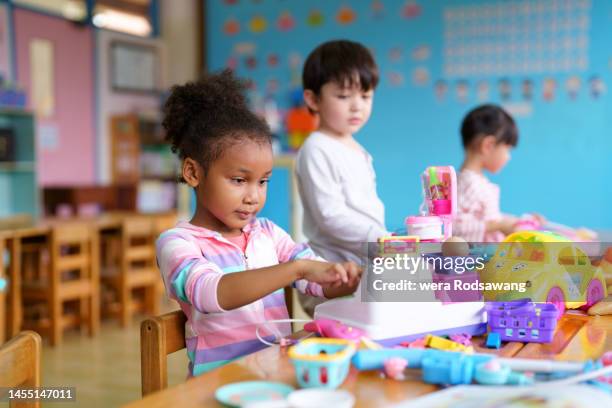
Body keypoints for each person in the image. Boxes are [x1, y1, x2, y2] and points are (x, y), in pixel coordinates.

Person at [156, 70, 361, 376]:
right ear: (193, 173)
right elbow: (211, 293)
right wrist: (298, 269)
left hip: (275, 372)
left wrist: (341, 278)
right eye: (239, 180)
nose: (253, 196)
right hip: (219, 382)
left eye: (263, 181)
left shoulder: (267, 233)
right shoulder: (178, 243)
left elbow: (313, 281)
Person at [296, 40, 389, 315]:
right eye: (344, 96)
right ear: (313, 100)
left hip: (363, 266)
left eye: (365, 96)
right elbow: (330, 216)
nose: (356, 107)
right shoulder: (316, 148)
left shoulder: (359, 150)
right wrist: (380, 238)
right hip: (332, 278)